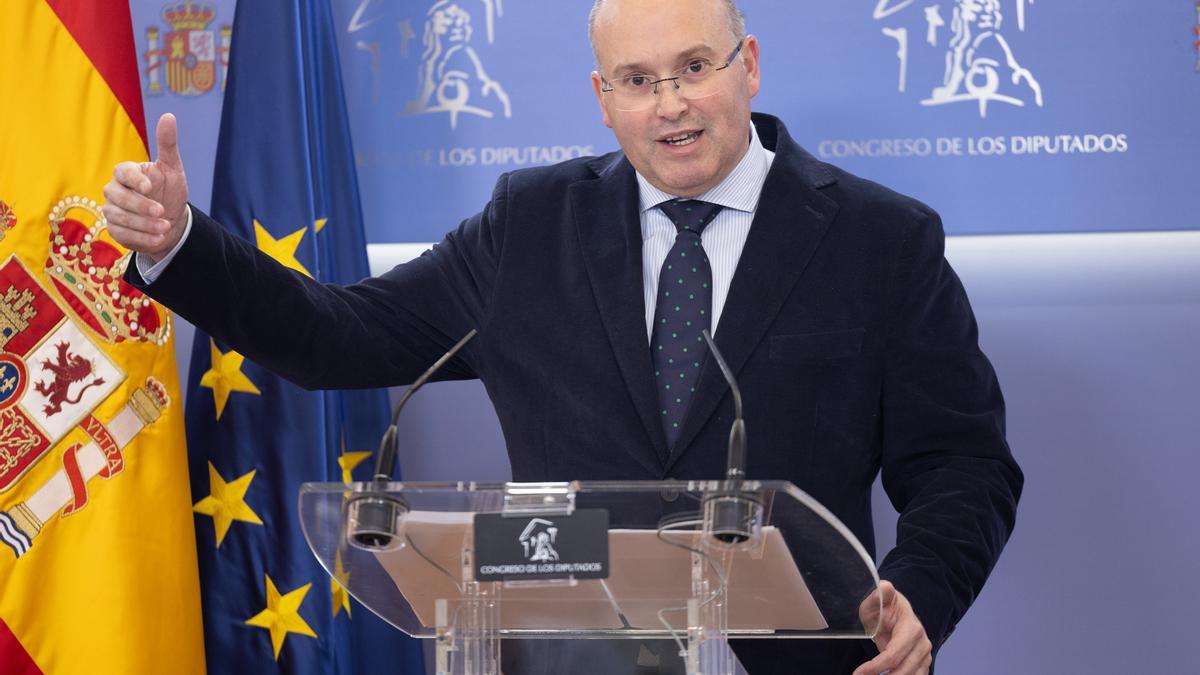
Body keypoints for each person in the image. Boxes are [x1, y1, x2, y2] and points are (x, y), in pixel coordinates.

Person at [102, 1, 1022, 673]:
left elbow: (963, 463)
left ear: (749, 63)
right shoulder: (531, 227)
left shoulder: (879, 239)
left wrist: (918, 599)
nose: (670, 104)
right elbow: (337, 337)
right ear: (602, 95)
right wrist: (185, 245)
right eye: (637, 81)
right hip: (568, 655)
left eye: (695, 67)